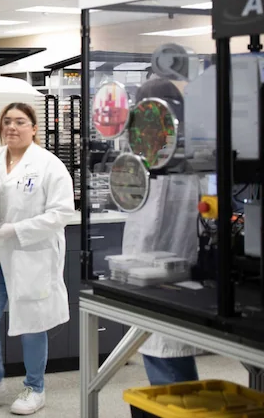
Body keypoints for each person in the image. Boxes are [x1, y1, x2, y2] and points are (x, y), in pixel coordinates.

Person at [0, 102, 76, 415]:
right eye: (7, 122)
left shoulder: (49, 165)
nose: (12, 127)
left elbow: (62, 212)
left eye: (20, 122)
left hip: (30, 253)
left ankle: (35, 387)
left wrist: (20, 229)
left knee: (31, 321)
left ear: (34, 127)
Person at [122, 77, 200, 385]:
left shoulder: (171, 159)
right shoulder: (155, 155)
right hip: (155, 270)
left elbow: (153, 225)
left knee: (167, 352)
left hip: (164, 270)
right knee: (162, 351)